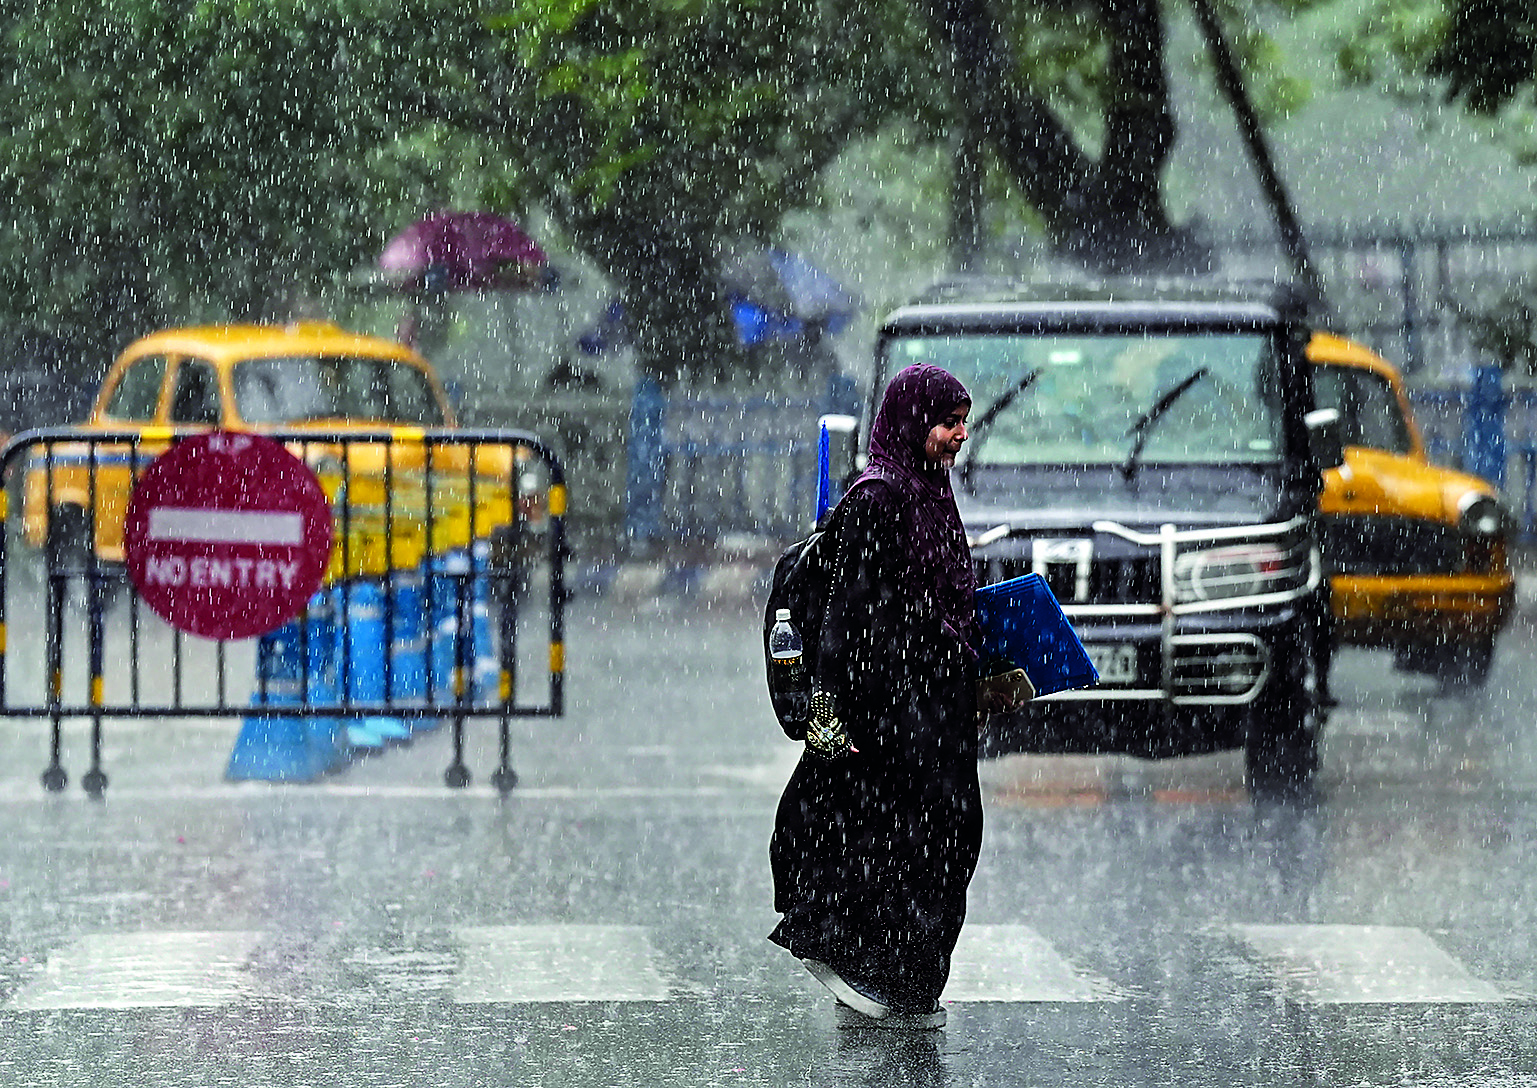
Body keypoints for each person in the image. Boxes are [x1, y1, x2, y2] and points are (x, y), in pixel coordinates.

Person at [768, 362, 1023, 1031]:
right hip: (893, 716)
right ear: (912, 423)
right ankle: (880, 975)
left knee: (947, 843)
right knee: (903, 848)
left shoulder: (928, 489)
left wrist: (978, 671)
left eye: (963, 421)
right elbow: (844, 618)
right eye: (946, 422)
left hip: (937, 711)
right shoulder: (879, 499)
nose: (958, 435)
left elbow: (943, 602)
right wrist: (827, 712)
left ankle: (907, 984)